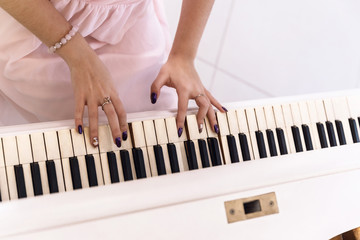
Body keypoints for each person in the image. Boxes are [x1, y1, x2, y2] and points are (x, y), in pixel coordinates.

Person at [0, 0, 225, 147]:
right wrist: (79, 57)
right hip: (44, 25)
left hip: (128, 17)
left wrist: (183, 56)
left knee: (165, 126)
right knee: (86, 143)